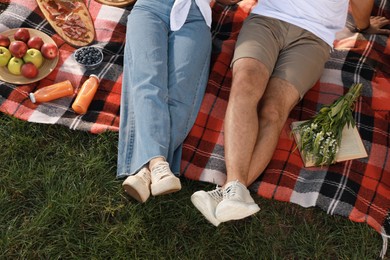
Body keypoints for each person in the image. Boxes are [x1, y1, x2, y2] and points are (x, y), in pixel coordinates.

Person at [191, 0, 390, 226]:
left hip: (314, 36)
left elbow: (362, 6)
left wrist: (364, 25)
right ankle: (234, 190)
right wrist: (363, 25)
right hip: (266, 20)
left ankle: (228, 191)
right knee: (245, 85)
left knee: (274, 109)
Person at [117, 0, 240, 203]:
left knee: (182, 94)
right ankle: (157, 163)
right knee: (148, 80)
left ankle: (144, 172)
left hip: (195, 15)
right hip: (151, 7)